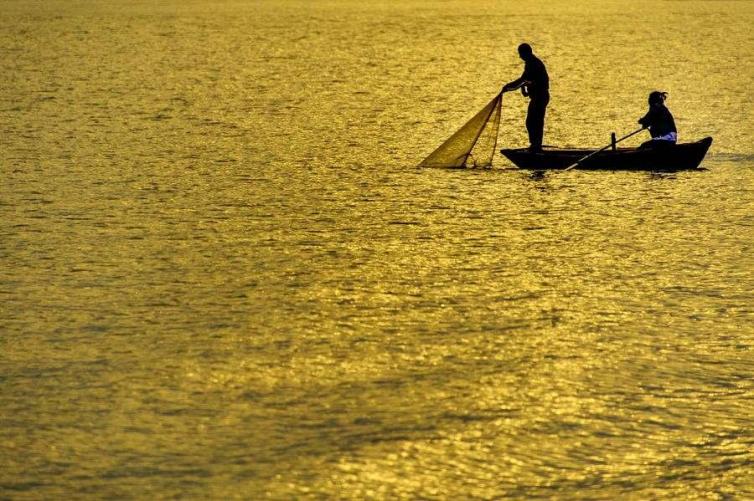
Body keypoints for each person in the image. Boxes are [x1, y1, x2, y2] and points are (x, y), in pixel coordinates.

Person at [502, 43, 550, 152]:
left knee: (534, 121)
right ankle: (535, 144)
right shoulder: (529, 63)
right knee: (532, 121)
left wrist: (508, 87)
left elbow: (523, 80)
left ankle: (536, 145)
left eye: (520, 54)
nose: (520, 56)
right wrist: (522, 88)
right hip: (537, 97)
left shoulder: (534, 64)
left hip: (541, 96)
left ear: (526, 53)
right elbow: (525, 79)